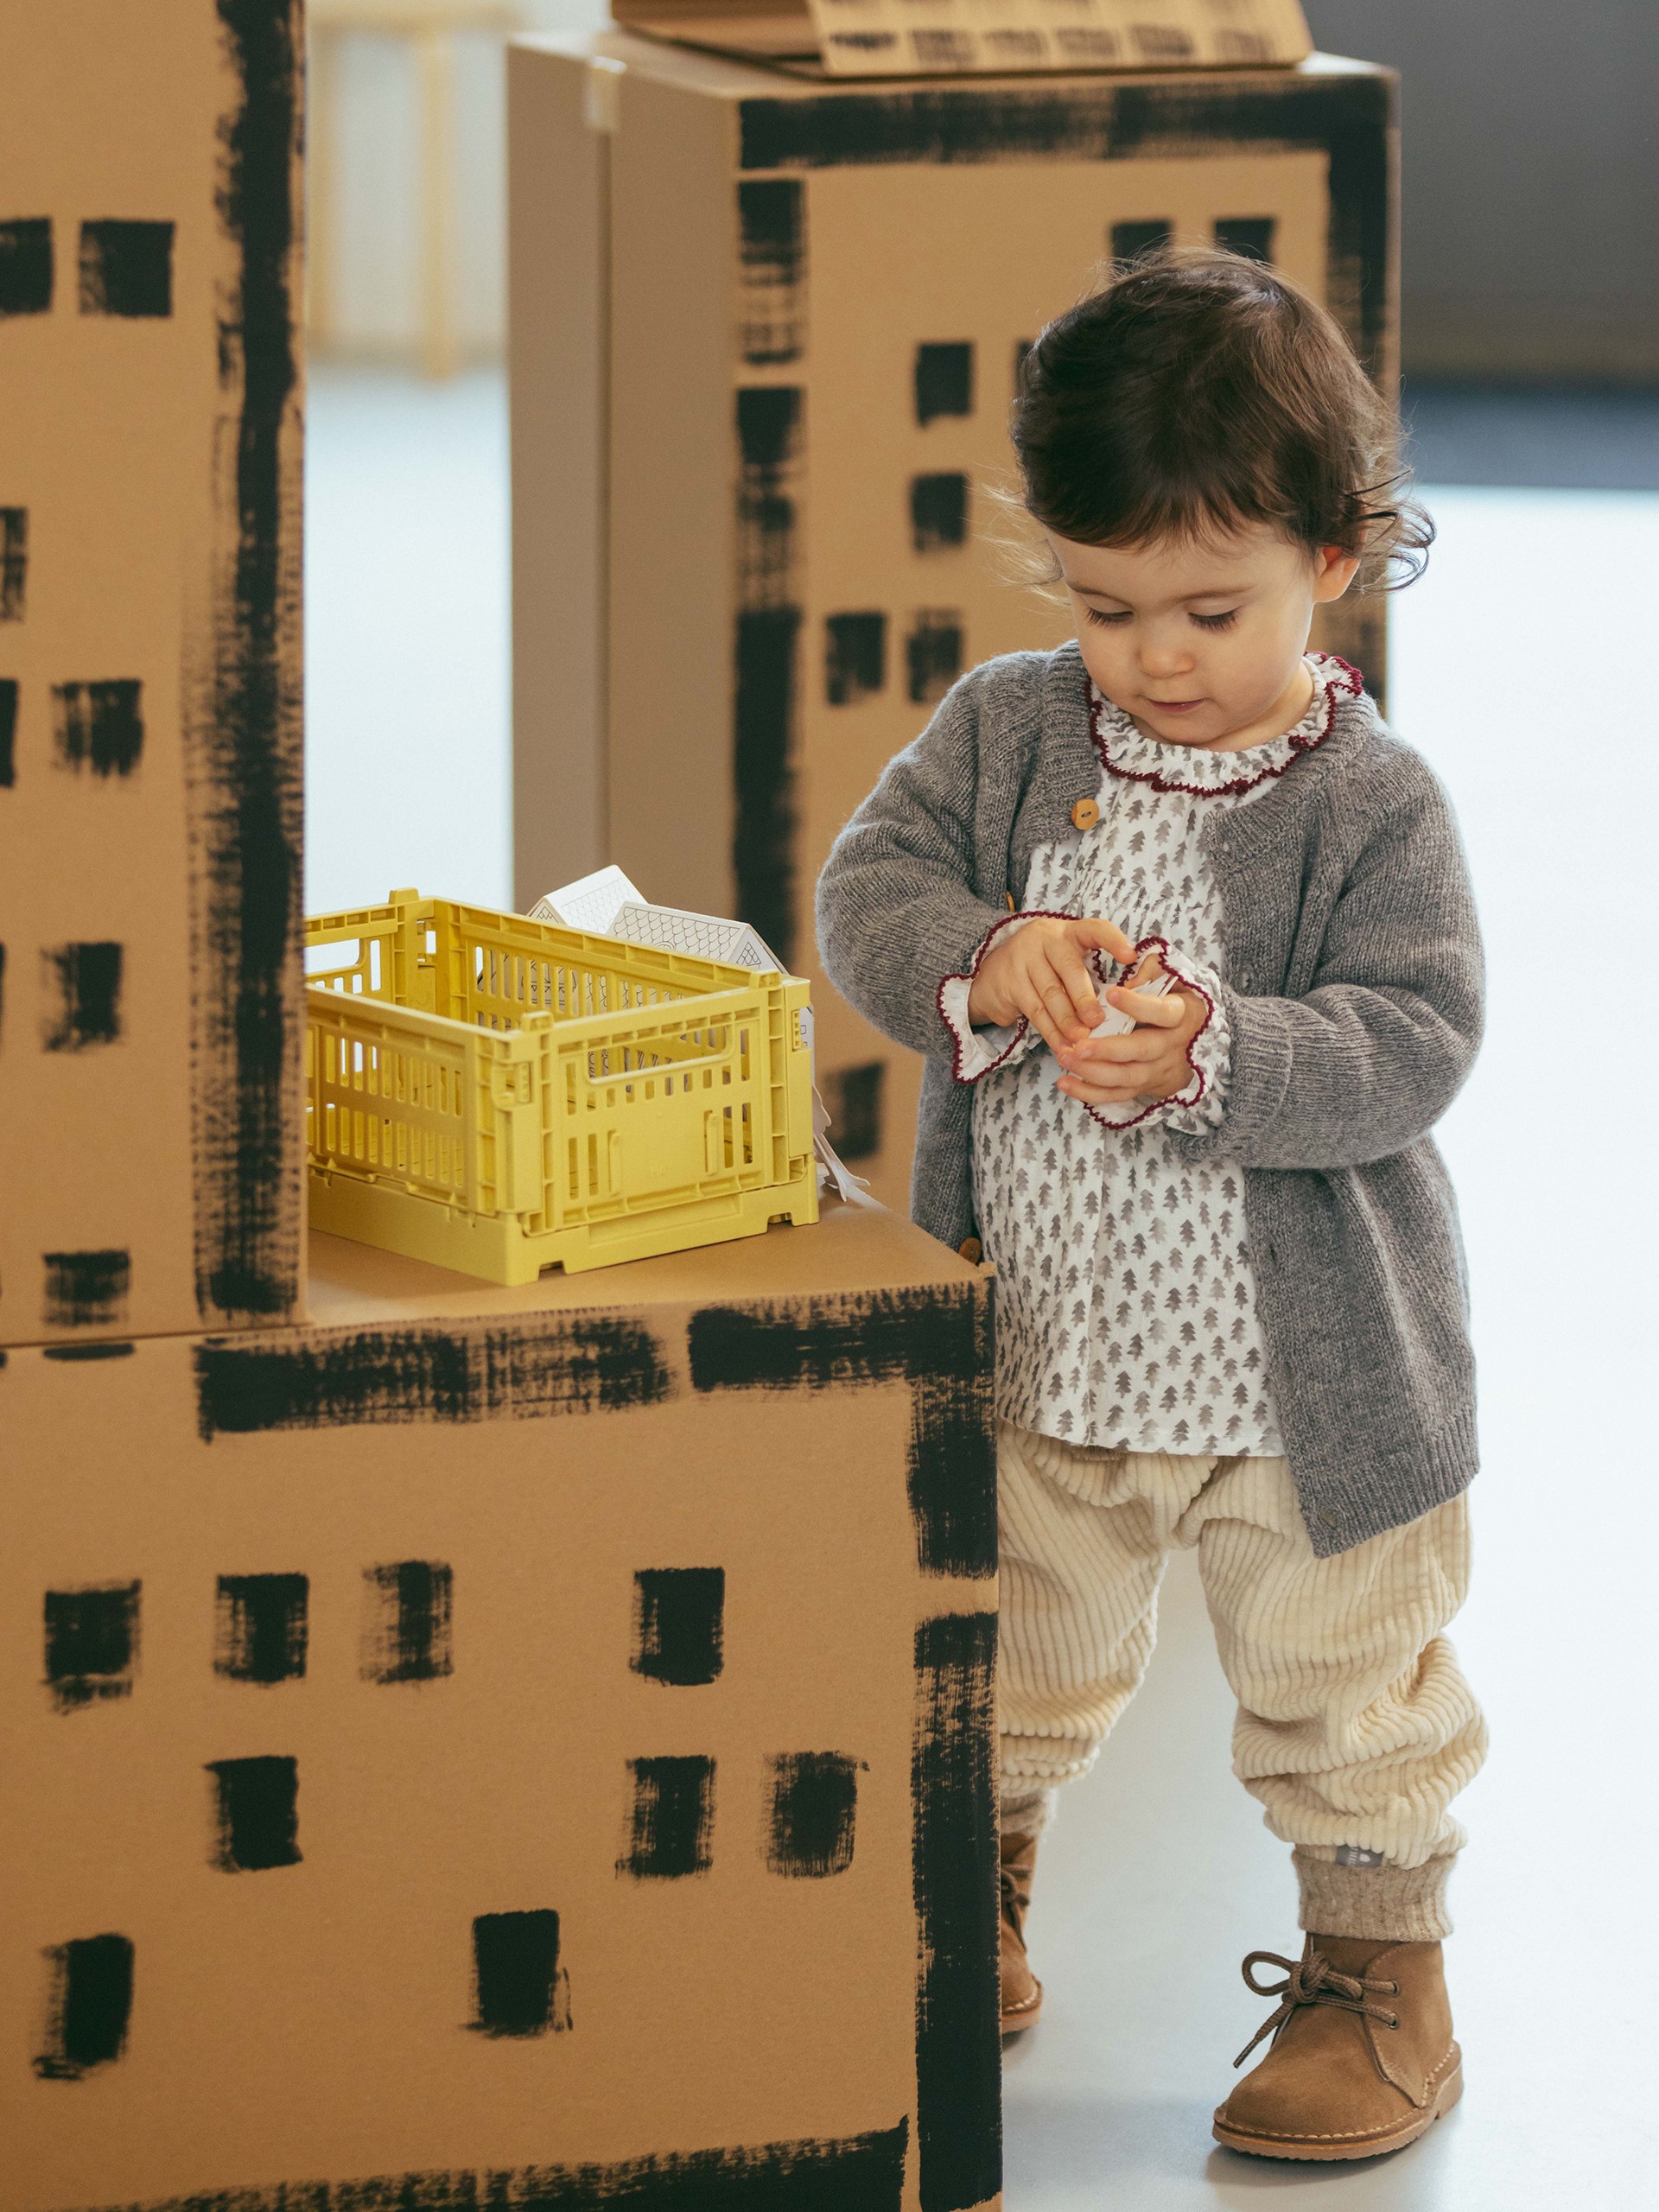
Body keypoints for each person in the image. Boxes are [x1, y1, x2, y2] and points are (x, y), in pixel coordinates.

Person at [815, 247, 1487, 2163]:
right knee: (1003, 1638)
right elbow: (873, 893)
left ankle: (1379, 1970)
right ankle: (976, 1904)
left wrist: (1219, 1051)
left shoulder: (1374, 801)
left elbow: (1417, 1033)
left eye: (1212, 605)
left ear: (1332, 561)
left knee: (1342, 1674)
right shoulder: (1012, 729)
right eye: (1109, 606)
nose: (1158, 656)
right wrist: (993, 947)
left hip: (1304, 1383)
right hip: (1048, 1337)